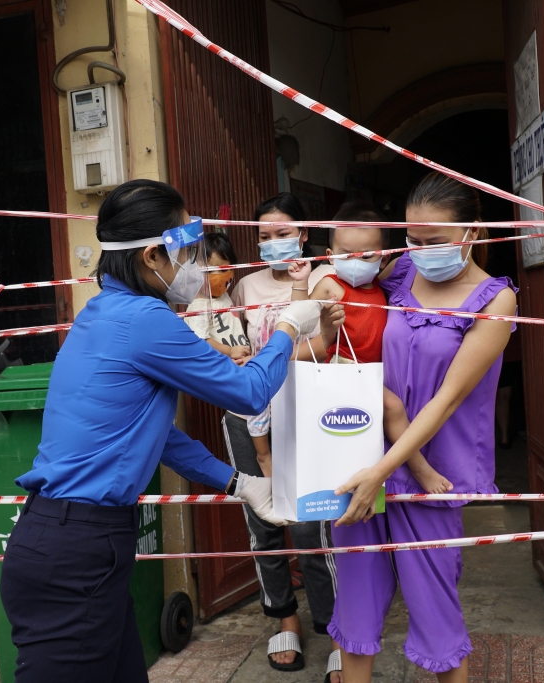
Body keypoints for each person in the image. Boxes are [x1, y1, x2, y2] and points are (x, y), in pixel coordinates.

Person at [0, 180, 322, 683]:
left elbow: (151, 434)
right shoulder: (144, 319)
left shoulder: (101, 313)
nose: (197, 265)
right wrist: (289, 328)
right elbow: (249, 392)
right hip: (75, 551)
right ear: (152, 256)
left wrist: (238, 483)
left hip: (74, 543)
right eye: (187, 251)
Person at [323, 172, 517, 683]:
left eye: (433, 241)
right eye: (411, 239)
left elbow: (446, 402)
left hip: (434, 474)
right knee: (356, 604)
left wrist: (386, 469)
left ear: (471, 234)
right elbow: (341, 279)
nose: (419, 251)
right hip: (361, 458)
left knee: (436, 613)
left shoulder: (495, 301)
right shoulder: (400, 272)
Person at [227, 192, 341, 680]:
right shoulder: (244, 285)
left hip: (307, 410)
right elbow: (229, 340)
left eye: (283, 234)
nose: (274, 244)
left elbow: (326, 344)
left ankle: (337, 630)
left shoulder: (324, 279)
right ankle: (283, 618)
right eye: (265, 237)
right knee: (263, 523)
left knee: (313, 525)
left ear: (304, 234)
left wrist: (266, 361)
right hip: (246, 412)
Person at [294, 201, 451, 495]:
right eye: (346, 254)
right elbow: (298, 317)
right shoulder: (331, 285)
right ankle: (420, 468)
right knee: (391, 407)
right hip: (344, 370)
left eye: (366, 255)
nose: (356, 261)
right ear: (329, 256)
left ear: (382, 258)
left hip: (372, 373)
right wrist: (301, 283)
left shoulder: (383, 287)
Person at [184, 231, 251, 363]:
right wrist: (230, 351)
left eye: (224, 269)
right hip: (223, 366)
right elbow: (200, 341)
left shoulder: (223, 295)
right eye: (209, 271)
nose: (217, 275)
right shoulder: (199, 306)